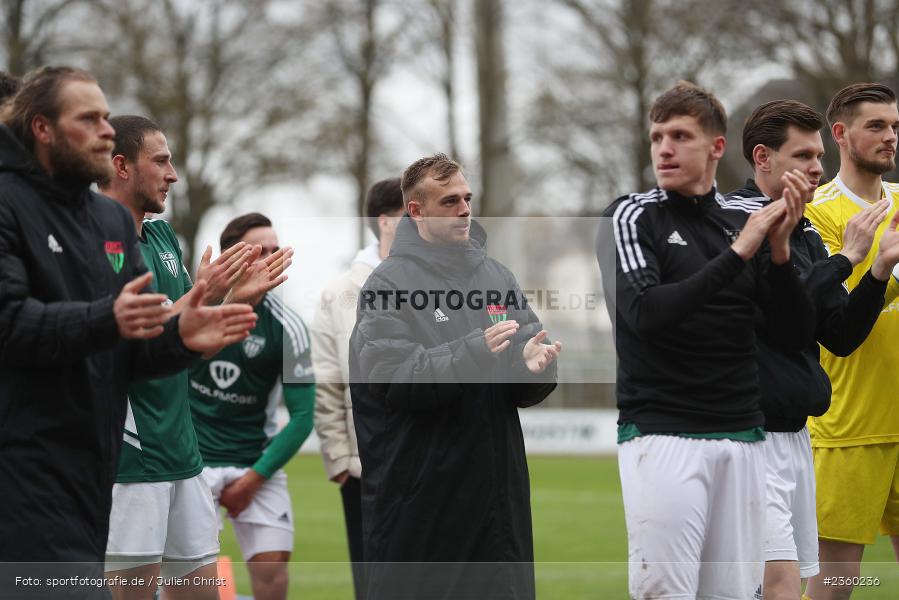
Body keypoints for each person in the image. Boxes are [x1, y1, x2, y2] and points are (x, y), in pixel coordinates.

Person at [0, 66, 257, 597]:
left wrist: (185, 335)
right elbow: (12, 322)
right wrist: (110, 318)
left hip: (98, 473)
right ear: (42, 128)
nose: (105, 129)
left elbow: (130, 350)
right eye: (88, 118)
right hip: (33, 473)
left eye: (105, 117)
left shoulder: (111, 223)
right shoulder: (9, 204)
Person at [597, 81, 817, 600]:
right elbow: (645, 314)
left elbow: (793, 333)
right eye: (657, 137)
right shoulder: (632, 215)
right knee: (667, 593)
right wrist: (739, 254)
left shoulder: (745, 221)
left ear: (716, 147)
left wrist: (779, 254)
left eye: (680, 136)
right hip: (664, 434)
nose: (664, 149)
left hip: (744, 437)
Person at [349, 153, 562, 600]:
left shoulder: (497, 276)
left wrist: (531, 366)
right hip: (423, 510)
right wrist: (474, 350)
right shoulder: (387, 285)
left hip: (497, 507)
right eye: (449, 201)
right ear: (416, 211)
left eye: (467, 198)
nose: (464, 209)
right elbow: (396, 379)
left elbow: (525, 359)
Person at [98, 116, 290, 600]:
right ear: (121, 166)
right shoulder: (95, 240)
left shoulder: (163, 238)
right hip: (131, 460)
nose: (173, 174)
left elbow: (189, 346)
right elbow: (131, 337)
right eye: (161, 161)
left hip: (184, 455)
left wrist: (236, 299)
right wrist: (210, 294)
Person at [727, 99, 899, 600]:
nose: (817, 168)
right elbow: (780, 310)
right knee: (795, 586)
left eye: (817, 156)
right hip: (757, 437)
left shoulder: (801, 229)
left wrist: (878, 271)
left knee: (790, 584)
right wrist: (846, 259)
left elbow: (838, 334)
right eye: (804, 156)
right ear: (763, 158)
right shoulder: (736, 220)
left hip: (796, 435)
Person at [802, 83, 899, 600]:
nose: (891, 137)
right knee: (836, 585)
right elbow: (833, 315)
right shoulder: (816, 212)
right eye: (876, 126)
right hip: (850, 428)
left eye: (895, 127)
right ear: (840, 133)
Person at [189, 213, 314, 600]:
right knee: (191, 580)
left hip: (254, 464)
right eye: (261, 250)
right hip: (193, 465)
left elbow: (303, 417)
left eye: (276, 250)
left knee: (272, 573)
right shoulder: (195, 309)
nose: (272, 258)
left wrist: (252, 480)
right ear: (230, 256)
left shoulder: (287, 327)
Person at [312, 176, 404, 599]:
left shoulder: (437, 286)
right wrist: (338, 457)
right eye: (411, 214)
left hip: (427, 461)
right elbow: (327, 380)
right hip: (364, 467)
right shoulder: (338, 294)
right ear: (385, 222)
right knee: (372, 583)